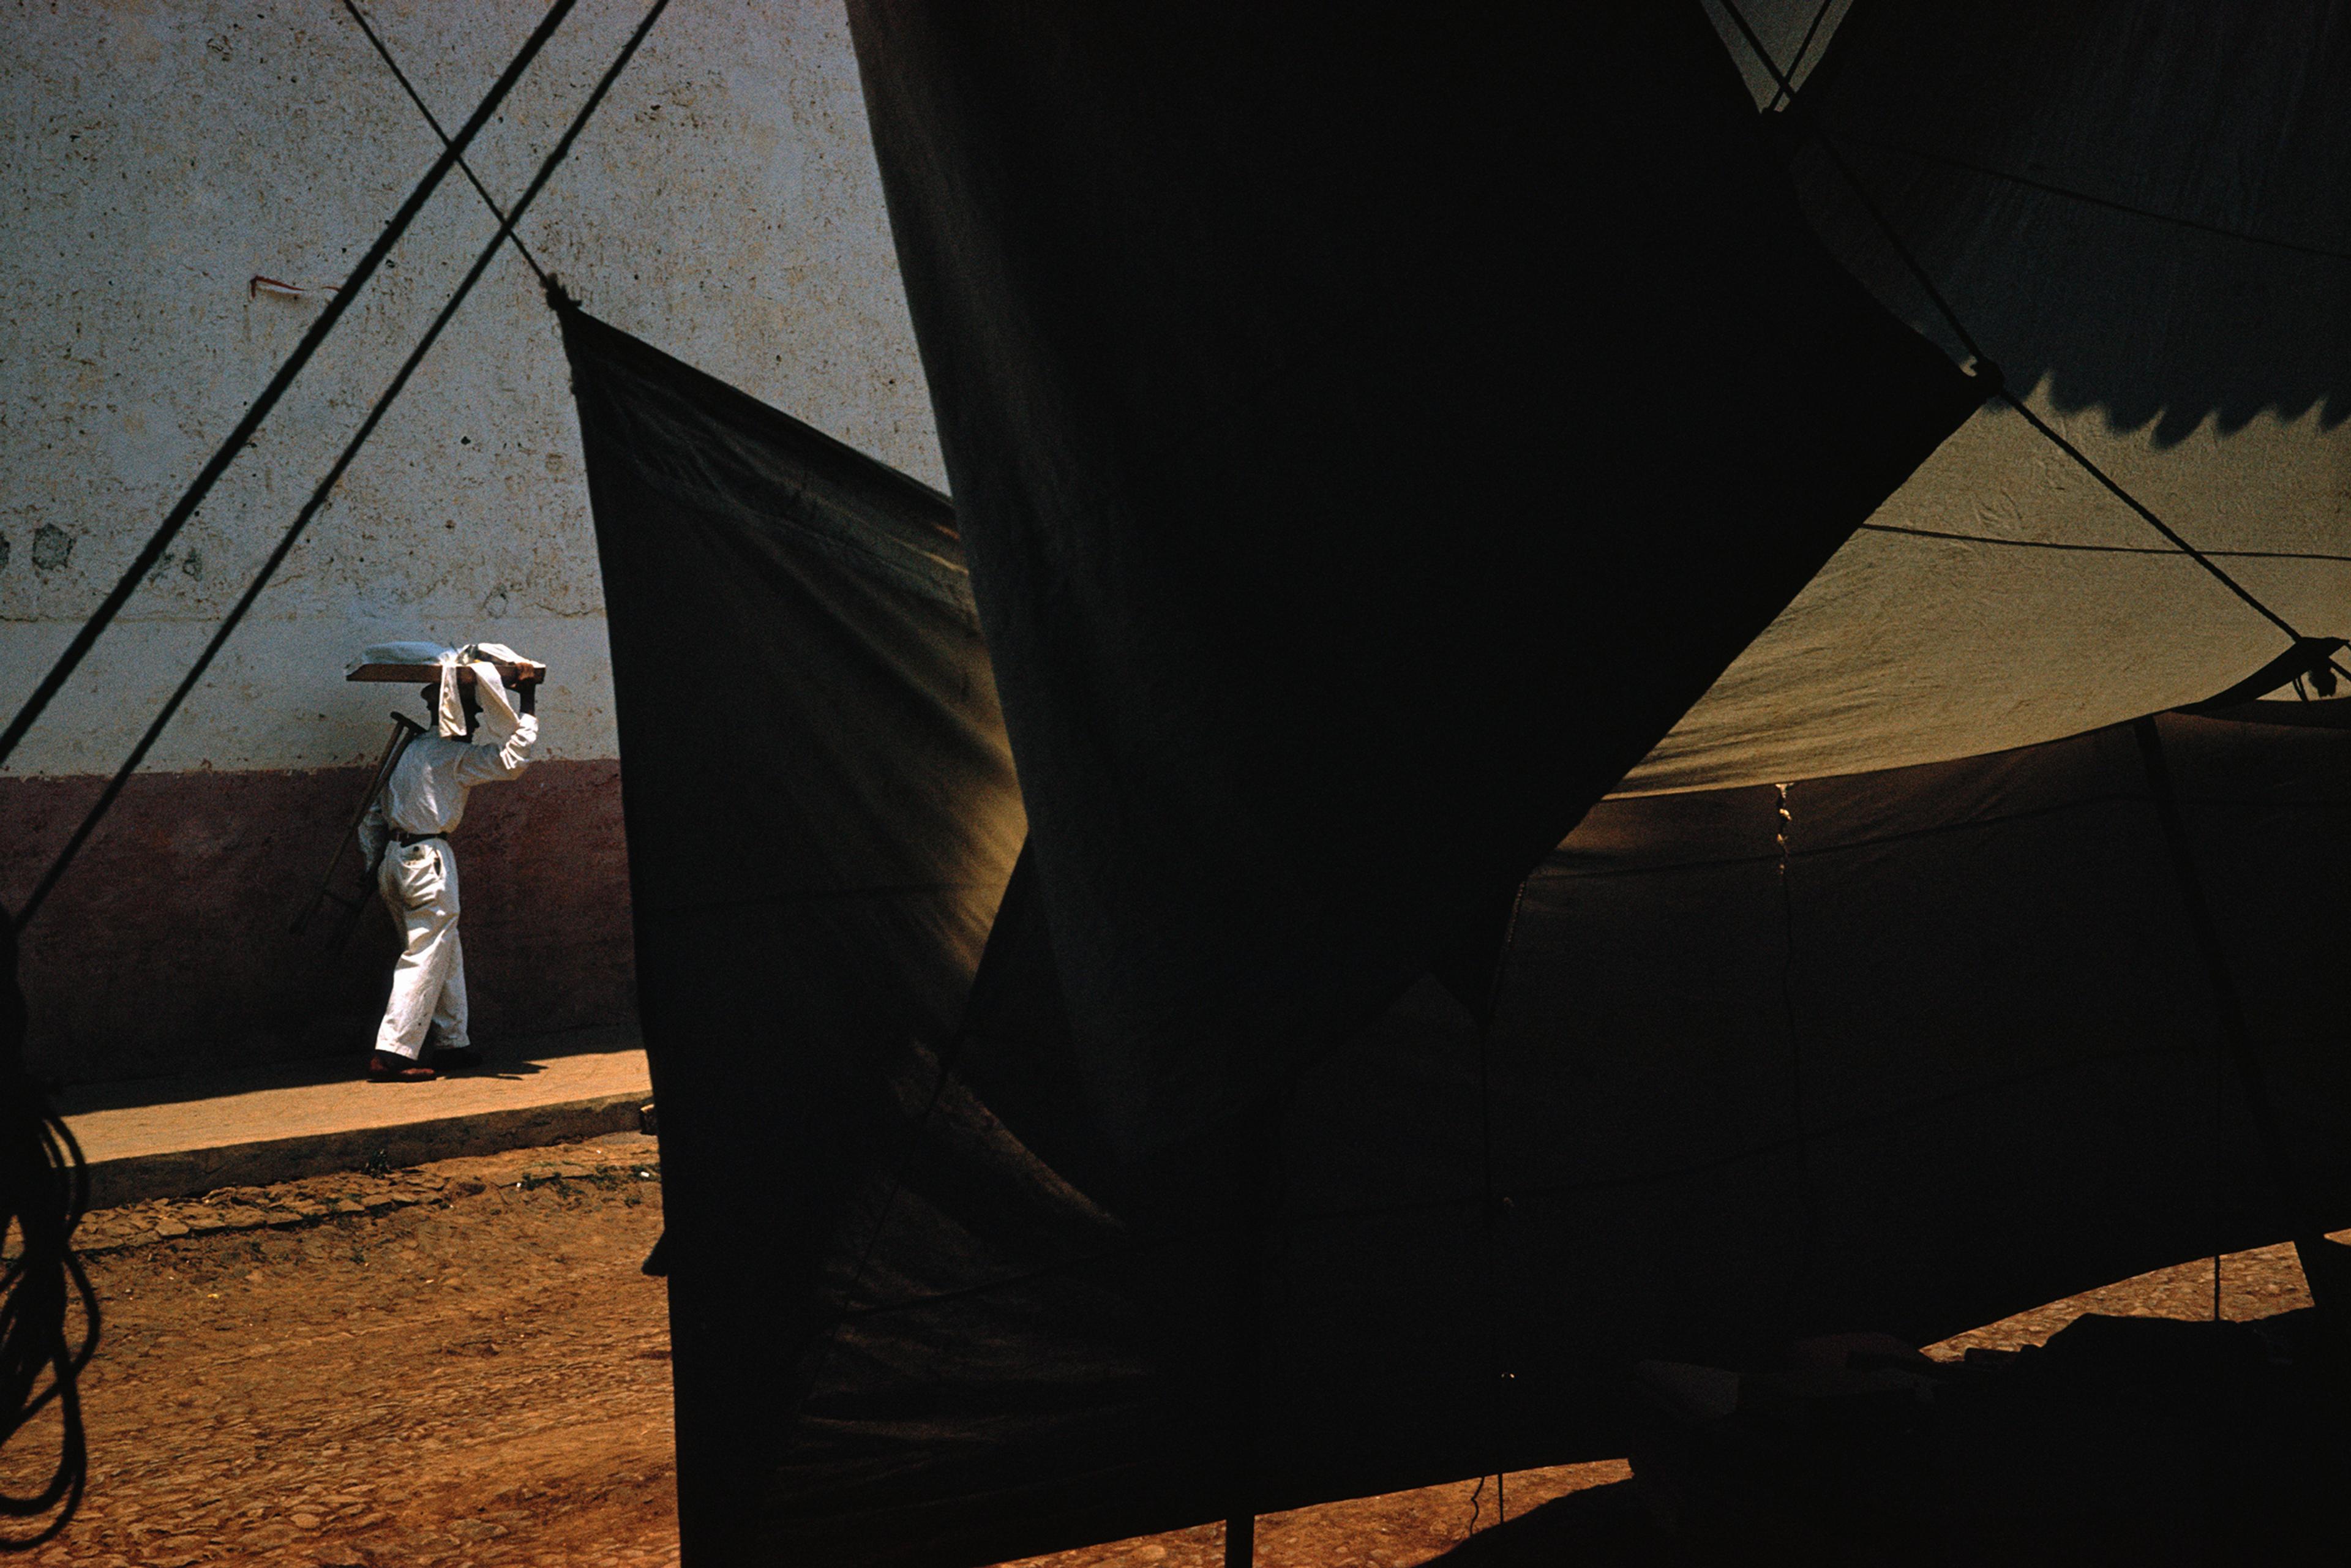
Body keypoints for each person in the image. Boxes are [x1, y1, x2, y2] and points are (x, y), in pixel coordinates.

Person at [356, 661, 538, 1081]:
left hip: (395, 862)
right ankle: (392, 1055)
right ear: (453, 714)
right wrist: (527, 701)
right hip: (428, 861)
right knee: (425, 955)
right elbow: (514, 760)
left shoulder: (409, 750)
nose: (474, 724)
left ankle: (454, 1042)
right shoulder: (450, 754)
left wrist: (373, 864)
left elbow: (372, 817)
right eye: (472, 715)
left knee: (442, 950)